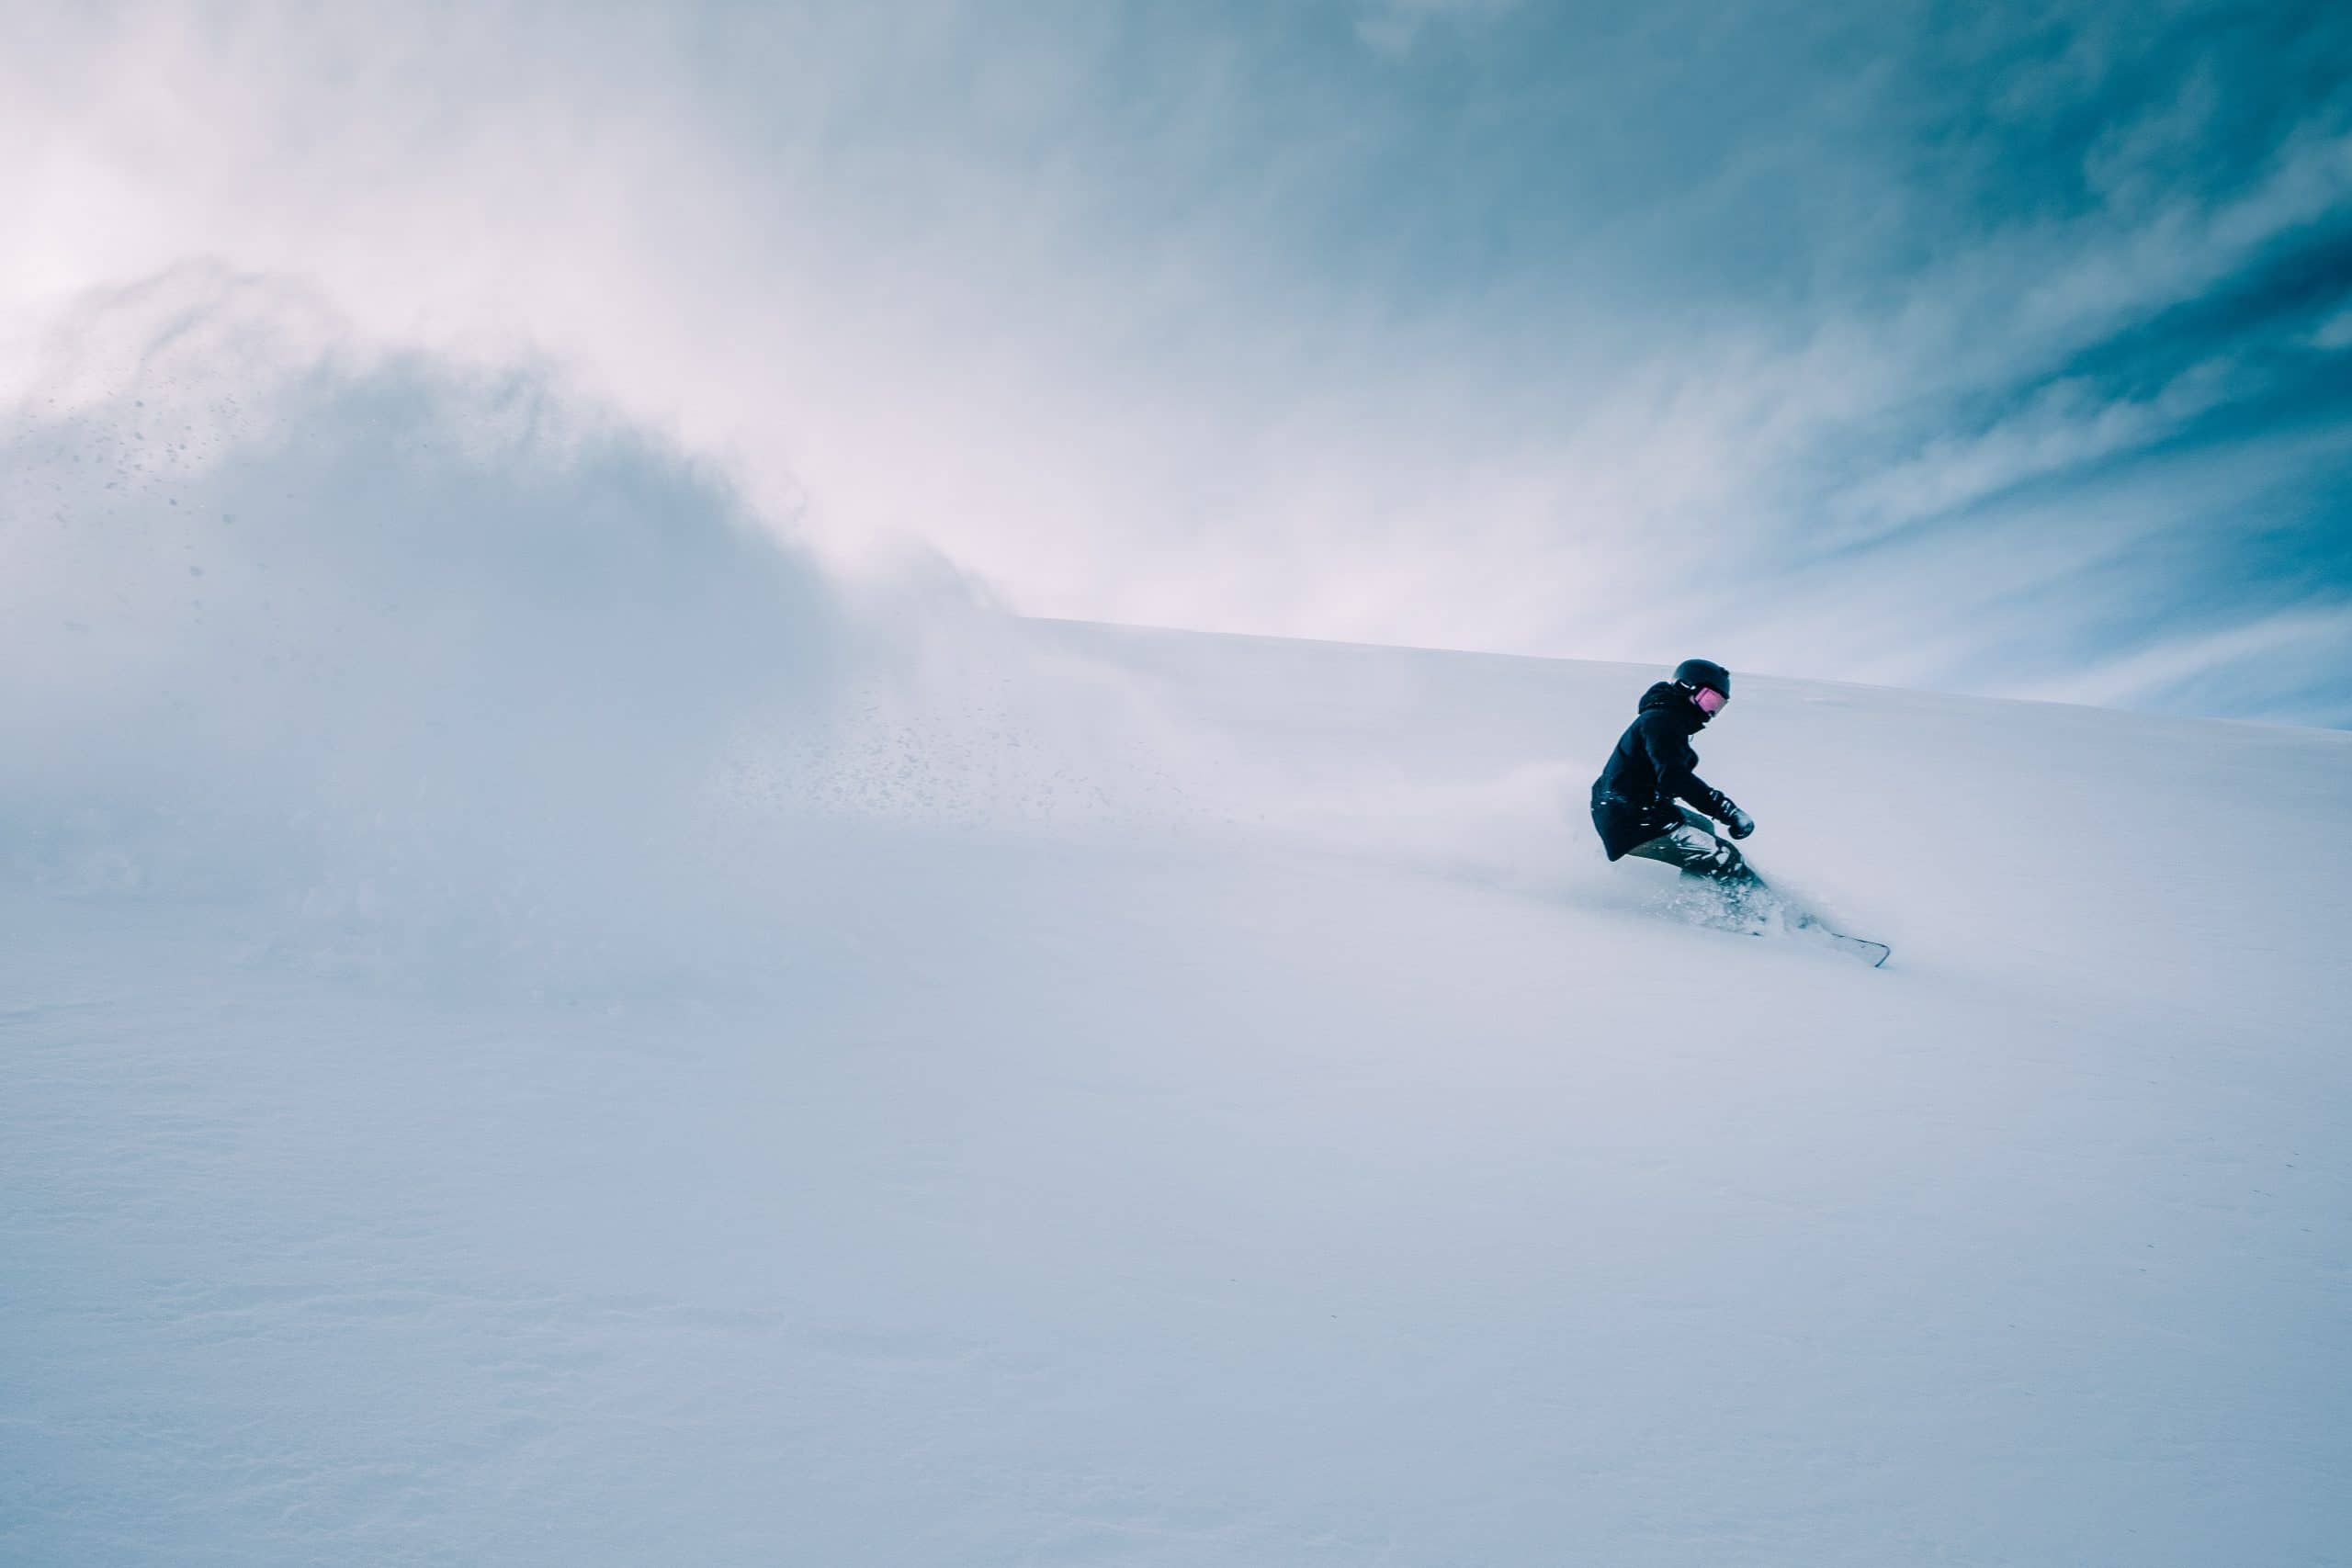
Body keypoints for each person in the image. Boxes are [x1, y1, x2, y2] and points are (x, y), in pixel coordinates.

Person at [1590, 659, 1759, 897]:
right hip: (1631, 817)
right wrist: (1727, 810)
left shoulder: (1666, 719)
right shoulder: (1661, 721)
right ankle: (1760, 917)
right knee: (1723, 856)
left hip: (1635, 809)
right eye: (1709, 700)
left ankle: (1702, 897)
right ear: (1684, 687)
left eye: (1718, 706)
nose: (1709, 712)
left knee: (1704, 827)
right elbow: (1675, 778)